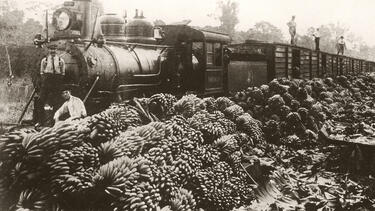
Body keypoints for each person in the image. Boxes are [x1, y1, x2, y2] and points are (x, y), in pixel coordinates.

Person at [39, 44, 66, 108]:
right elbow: (41, 71)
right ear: (49, 50)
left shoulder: (61, 60)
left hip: (57, 79)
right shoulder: (44, 60)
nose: (52, 51)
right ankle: (45, 110)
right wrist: (44, 79)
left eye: (54, 49)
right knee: (44, 95)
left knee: (57, 95)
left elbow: (63, 72)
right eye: (51, 49)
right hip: (47, 78)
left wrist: (59, 79)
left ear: (56, 50)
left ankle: (55, 109)